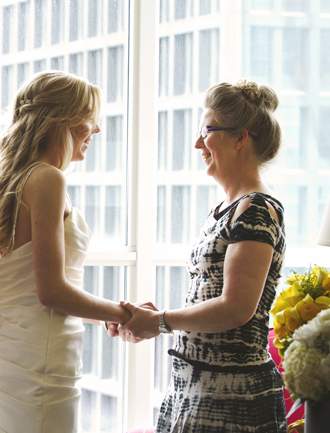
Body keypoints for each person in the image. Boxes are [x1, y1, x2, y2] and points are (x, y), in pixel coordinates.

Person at [119, 80, 287, 432]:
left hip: (231, 394)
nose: (197, 143)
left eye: (206, 131)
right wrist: (157, 317)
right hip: (197, 382)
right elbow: (208, 295)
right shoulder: (229, 208)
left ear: (240, 138)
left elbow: (236, 308)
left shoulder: (256, 209)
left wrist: (161, 321)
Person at [0, 71, 135, 433]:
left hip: (19, 353)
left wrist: (103, 317)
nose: (95, 131)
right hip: (41, 363)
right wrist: (124, 313)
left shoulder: (21, 179)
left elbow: (35, 288)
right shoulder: (47, 178)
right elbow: (51, 292)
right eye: (88, 120)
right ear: (56, 122)